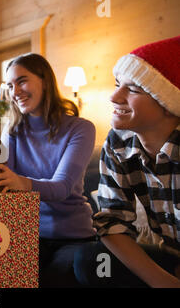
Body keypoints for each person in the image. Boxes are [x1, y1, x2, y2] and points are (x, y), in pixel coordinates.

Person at [74, 36, 180, 288]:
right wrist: (163, 282)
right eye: (117, 84)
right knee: (91, 260)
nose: (114, 96)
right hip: (170, 260)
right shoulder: (118, 141)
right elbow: (112, 222)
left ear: (168, 103)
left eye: (132, 89)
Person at [0, 53, 97, 287]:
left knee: (53, 278)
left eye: (22, 81)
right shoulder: (13, 132)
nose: (15, 91)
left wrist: (21, 182)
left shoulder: (81, 129)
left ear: (45, 81)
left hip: (73, 237)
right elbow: (3, 185)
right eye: (10, 85)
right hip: (27, 235)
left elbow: (62, 187)